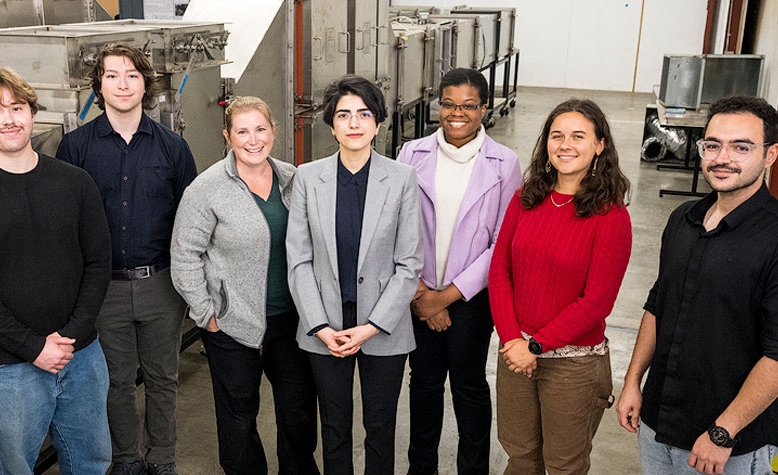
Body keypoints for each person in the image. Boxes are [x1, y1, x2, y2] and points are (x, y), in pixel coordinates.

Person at [615, 96, 778, 475]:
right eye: (712, 145)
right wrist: (634, 382)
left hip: (728, 446)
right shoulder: (684, 219)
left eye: (741, 147)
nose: (722, 157)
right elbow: (657, 305)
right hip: (658, 423)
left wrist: (723, 431)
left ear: (770, 154)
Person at [0, 68, 113, 474]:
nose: (9, 118)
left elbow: (99, 262)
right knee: (15, 466)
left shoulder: (76, 183)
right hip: (7, 366)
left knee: (92, 461)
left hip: (81, 356)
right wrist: (33, 347)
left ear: (33, 114)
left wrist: (72, 335)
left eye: (17, 107)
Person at [56, 43, 196, 475]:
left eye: (132, 75)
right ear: (98, 84)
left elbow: (190, 221)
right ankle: (127, 459)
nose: (122, 83)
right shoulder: (75, 147)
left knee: (162, 379)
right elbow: (67, 225)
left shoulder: (173, 147)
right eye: (112, 75)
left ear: (146, 84)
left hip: (161, 285)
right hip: (104, 288)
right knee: (114, 383)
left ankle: (163, 458)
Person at [170, 96, 320, 475]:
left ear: (273, 131)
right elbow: (185, 255)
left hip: (291, 320)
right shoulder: (207, 189)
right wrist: (207, 313)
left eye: (260, 129)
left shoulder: (293, 179)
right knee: (238, 417)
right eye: (242, 131)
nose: (253, 140)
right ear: (227, 136)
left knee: (299, 409)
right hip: (232, 324)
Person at [286, 74, 422, 475]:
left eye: (364, 114)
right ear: (331, 125)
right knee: (335, 426)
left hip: (384, 327)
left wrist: (372, 327)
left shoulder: (401, 179)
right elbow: (299, 260)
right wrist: (320, 325)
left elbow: (408, 263)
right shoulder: (308, 178)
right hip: (325, 326)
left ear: (378, 122)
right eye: (343, 115)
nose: (354, 123)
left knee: (380, 427)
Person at [489, 99, 633, 475]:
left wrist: (535, 345)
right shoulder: (525, 200)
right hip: (515, 355)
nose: (565, 145)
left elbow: (596, 301)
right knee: (520, 457)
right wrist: (512, 341)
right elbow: (499, 272)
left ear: (600, 145)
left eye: (578, 136)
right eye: (557, 136)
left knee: (564, 465)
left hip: (574, 365)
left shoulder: (610, 215)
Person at [396, 67, 521, 475]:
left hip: (471, 297)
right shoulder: (410, 154)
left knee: (468, 385)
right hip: (417, 291)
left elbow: (501, 242)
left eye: (469, 106)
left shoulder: (504, 163)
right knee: (425, 384)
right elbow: (396, 226)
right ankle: (421, 469)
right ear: (439, 104)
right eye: (449, 104)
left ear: (484, 108)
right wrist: (421, 294)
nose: (457, 114)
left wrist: (446, 297)